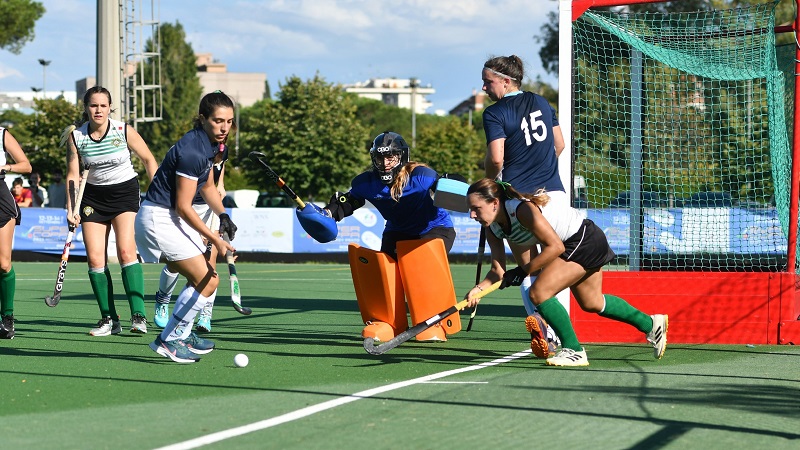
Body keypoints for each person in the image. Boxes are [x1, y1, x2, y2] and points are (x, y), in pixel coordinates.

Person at [464, 178, 668, 367]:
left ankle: (574, 350)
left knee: (538, 292)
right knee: (592, 302)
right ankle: (651, 323)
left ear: (494, 203)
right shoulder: (493, 228)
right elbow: (497, 270)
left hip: (583, 239)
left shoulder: (522, 210)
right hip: (579, 242)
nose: (472, 215)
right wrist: (478, 290)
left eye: (476, 209)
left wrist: (522, 270)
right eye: (471, 210)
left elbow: (555, 247)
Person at [135, 91, 237, 363]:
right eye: (218, 121)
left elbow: (207, 186)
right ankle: (170, 340)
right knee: (208, 279)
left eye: (229, 121)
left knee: (205, 278)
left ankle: (179, 335)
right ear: (203, 119)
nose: (224, 127)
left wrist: (223, 215)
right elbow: (183, 205)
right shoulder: (193, 150)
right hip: (160, 218)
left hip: (169, 217)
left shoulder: (210, 146)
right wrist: (214, 238)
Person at [481, 55, 570, 348]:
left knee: (529, 271)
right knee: (553, 268)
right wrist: (541, 168)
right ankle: (557, 334)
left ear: (506, 82)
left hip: (519, 201)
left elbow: (496, 158)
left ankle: (547, 335)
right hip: (554, 195)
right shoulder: (542, 102)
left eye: (488, 81)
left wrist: (490, 184)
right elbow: (559, 145)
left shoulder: (495, 113)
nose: (484, 88)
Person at [62, 86, 158, 337]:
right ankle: (109, 319)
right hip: (92, 196)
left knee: (126, 251)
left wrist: (159, 193)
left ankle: (138, 315)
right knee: (95, 258)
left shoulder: (123, 130)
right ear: (86, 108)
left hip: (124, 192)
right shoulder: (77, 137)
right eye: (93, 105)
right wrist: (71, 207)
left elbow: (148, 159)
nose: (98, 110)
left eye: (103, 105)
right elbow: (73, 175)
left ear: (110, 108)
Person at [323, 131, 456, 260]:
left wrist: (454, 187)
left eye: (390, 157)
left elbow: (448, 192)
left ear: (401, 157)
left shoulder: (420, 177)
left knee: (419, 267)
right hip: (398, 231)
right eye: (380, 158)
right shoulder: (367, 184)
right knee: (386, 277)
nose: (385, 163)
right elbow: (347, 203)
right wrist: (328, 213)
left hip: (435, 228)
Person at [153, 142, 228, 332]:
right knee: (175, 263)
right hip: (187, 209)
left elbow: (218, 175)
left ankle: (205, 314)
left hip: (209, 209)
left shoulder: (220, 153)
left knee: (209, 266)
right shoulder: (191, 153)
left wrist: (221, 187)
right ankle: (163, 300)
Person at [0, 129, 33, 338]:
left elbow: (26, 165)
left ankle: (7, 316)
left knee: (3, 263)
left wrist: (6, 166)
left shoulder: (1, 134)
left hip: (0, 198)